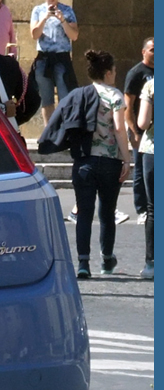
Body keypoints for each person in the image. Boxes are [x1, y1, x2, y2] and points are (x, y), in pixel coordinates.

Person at [68, 51, 131, 279]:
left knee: (84, 213)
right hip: (109, 160)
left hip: (84, 160)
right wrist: (126, 158)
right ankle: (106, 258)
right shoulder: (115, 95)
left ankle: (83, 262)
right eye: (114, 71)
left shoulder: (80, 94)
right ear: (107, 72)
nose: (115, 75)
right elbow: (119, 128)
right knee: (107, 212)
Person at [30, 0, 79, 123]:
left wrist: (63, 20)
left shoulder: (67, 10)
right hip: (44, 57)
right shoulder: (38, 10)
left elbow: (74, 35)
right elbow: (34, 35)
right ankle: (49, 132)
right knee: (47, 98)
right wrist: (44, 18)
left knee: (65, 96)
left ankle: (63, 132)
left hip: (61, 57)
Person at [124, 37, 154, 225]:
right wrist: (134, 131)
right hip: (140, 128)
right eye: (152, 49)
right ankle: (141, 208)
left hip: (154, 130)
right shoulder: (136, 73)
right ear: (144, 51)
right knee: (141, 171)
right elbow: (128, 105)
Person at [136, 75, 154, 279]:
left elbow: (143, 122)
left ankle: (152, 263)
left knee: (153, 208)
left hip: (153, 149)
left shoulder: (151, 85)